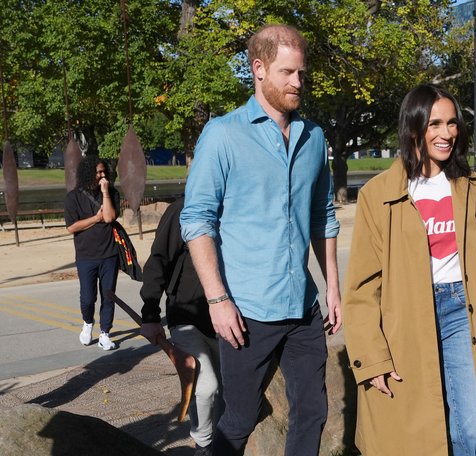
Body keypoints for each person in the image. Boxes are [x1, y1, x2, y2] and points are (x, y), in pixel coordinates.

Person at [179, 24, 341, 456]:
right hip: (247, 312)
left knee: (313, 412)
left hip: (303, 308)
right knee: (239, 418)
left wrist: (333, 290)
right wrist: (217, 300)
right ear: (258, 69)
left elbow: (322, 215)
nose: (297, 83)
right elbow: (196, 220)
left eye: (302, 74)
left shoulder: (314, 138)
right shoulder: (223, 134)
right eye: (288, 73)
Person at [342, 84, 476, 456]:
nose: (446, 133)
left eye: (452, 123)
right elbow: (361, 287)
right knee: (415, 434)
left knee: (474, 432)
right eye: (435, 124)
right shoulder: (378, 194)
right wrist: (371, 359)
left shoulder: (470, 186)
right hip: (403, 319)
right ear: (414, 127)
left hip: (459, 312)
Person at [140, 197, 221, 456]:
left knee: (229, 391)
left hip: (231, 317)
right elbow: (158, 261)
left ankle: (225, 444)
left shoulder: (239, 202)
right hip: (186, 316)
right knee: (207, 387)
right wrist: (150, 315)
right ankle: (203, 446)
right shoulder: (183, 208)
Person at [65, 156, 120, 351]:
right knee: (88, 298)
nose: (102, 175)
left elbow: (110, 217)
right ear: (88, 173)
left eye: (104, 171)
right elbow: (72, 227)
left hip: (109, 254)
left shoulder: (111, 193)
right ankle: (88, 322)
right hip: (86, 256)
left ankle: (105, 333)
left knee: (108, 296)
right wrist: (95, 219)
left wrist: (105, 192)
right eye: (98, 172)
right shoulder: (73, 197)